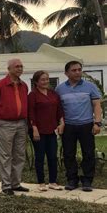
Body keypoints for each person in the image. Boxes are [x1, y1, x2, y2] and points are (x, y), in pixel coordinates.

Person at [55, 61, 102, 191]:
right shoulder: (60, 89)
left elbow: (97, 106)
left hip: (86, 125)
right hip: (68, 127)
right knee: (69, 154)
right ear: (66, 73)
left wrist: (97, 123)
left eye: (79, 70)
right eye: (74, 70)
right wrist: (60, 124)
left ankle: (87, 180)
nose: (77, 72)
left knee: (88, 153)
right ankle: (72, 180)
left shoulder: (90, 87)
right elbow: (57, 109)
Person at [0, 58, 30, 195]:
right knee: (5, 155)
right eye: (17, 66)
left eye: (21, 66)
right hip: (5, 124)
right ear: (9, 69)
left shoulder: (24, 86)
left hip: (21, 123)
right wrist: (1, 117)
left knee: (19, 155)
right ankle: (6, 185)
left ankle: (16, 183)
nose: (20, 68)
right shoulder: (0, 85)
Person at [28, 70, 64, 191]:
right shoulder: (32, 95)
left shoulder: (53, 94)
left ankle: (53, 182)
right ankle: (41, 182)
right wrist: (34, 128)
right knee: (40, 156)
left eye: (47, 79)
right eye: (43, 79)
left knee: (53, 156)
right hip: (38, 130)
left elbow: (59, 110)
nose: (46, 81)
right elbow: (31, 113)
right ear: (36, 82)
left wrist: (61, 123)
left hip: (52, 130)